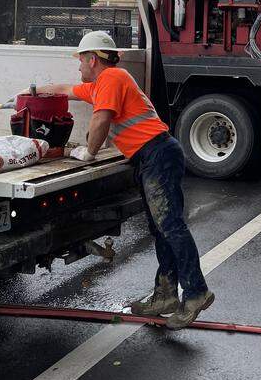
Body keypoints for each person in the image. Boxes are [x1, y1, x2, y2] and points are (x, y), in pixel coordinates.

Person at [33, 30, 214, 330]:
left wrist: (88, 152)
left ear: (93, 59)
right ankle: (166, 294)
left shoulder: (112, 79)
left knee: (171, 227)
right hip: (152, 157)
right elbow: (66, 89)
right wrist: (34, 92)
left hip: (158, 155)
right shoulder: (102, 84)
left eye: (80, 60)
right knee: (161, 229)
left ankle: (196, 293)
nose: (78, 67)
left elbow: (101, 119)